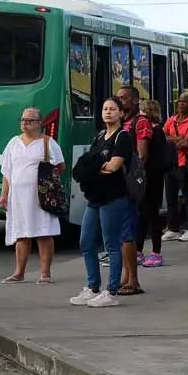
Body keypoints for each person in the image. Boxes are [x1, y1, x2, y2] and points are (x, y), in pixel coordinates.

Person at [70, 97, 131, 308]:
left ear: (121, 113)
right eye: (105, 108)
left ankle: (111, 291)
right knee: (86, 241)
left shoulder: (123, 137)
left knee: (111, 244)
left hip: (113, 197)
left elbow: (113, 167)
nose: (108, 112)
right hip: (95, 197)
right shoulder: (99, 136)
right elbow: (85, 166)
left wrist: (94, 168)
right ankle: (92, 286)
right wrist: (96, 167)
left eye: (113, 109)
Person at [0, 108, 66, 284]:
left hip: (41, 198)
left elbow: (61, 166)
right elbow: (7, 172)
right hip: (18, 198)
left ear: (39, 123)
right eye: (23, 119)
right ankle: (19, 272)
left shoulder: (48, 143)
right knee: (21, 234)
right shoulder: (14, 142)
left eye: (29, 120)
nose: (25, 123)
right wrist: (3, 195)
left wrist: (47, 179)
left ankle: (45, 273)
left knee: (43, 234)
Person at [116, 85, 152, 295]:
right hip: (119, 184)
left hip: (129, 184)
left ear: (136, 100)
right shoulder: (122, 122)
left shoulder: (141, 122)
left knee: (127, 232)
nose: (121, 101)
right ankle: (126, 276)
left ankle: (133, 280)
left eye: (125, 98)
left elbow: (142, 155)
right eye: (119, 98)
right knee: (122, 234)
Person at [162, 93, 188, 242]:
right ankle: (173, 228)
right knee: (171, 197)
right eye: (179, 102)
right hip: (170, 163)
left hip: (184, 163)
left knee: (187, 196)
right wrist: (176, 139)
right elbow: (162, 136)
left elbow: (187, 143)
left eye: (184, 102)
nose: (180, 104)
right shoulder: (171, 120)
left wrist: (172, 140)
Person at [137, 99, 169, 268]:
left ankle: (156, 252)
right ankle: (140, 250)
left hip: (152, 177)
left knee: (151, 214)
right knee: (143, 214)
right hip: (153, 176)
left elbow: (146, 155)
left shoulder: (153, 131)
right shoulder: (157, 130)